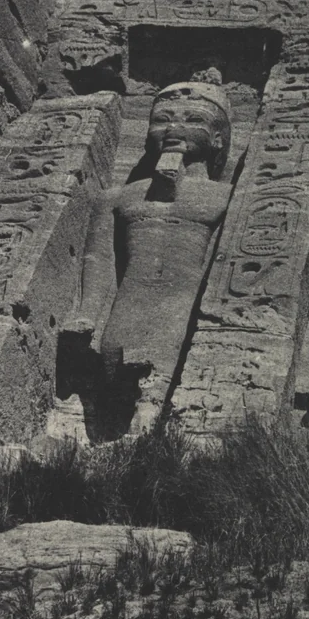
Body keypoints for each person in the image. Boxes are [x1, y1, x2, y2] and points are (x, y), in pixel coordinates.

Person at [62, 70, 232, 435]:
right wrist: (88, 314)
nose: (175, 128)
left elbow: (221, 262)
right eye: (162, 120)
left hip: (182, 307)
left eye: (194, 120)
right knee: (115, 375)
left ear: (218, 139)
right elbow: (101, 261)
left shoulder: (226, 197)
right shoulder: (119, 196)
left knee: (154, 392)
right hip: (128, 304)